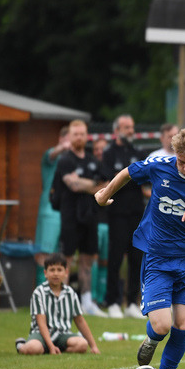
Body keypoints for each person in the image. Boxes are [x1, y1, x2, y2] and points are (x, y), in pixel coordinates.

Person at [95, 127, 185, 369]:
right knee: (163, 326)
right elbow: (129, 172)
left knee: (183, 324)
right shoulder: (159, 166)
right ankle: (152, 338)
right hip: (158, 256)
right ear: (175, 154)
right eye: (182, 161)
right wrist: (105, 193)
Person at [52, 119, 106, 317]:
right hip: (70, 216)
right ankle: (63, 302)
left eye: (82, 134)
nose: (79, 138)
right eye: (75, 134)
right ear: (70, 136)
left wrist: (85, 183)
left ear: (86, 136)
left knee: (87, 260)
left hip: (90, 215)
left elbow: (106, 184)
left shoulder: (93, 160)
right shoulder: (65, 160)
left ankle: (87, 302)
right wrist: (93, 184)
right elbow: (72, 185)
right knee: (66, 259)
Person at [98, 116, 146, 319]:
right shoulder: (108, 153)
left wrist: (126, 179)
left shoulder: (138, 152)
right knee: (116, 259)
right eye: (126, 127)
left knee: (136, 258)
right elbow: (110, 178)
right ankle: (114, 302)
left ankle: (132, 303)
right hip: (116, 213)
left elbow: (143, 179)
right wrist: (127, 180)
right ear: (117, 129)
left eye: (132, 127)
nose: (130, 131)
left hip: (137, 213)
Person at [16, 253, 101, 355]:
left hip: (63, 334)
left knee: (82, 344)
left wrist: (93, 346)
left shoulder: (71, 293)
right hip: (41, 334)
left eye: (59, 270)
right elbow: (41, 322)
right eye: (52, 270)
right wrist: (51, 346)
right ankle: (21, 345)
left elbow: (80, 321)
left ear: (66, 272)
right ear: (45, 273)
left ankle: (52, 350)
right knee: (32, 348)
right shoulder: (39, 292)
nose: (56, 274)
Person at [34, 125, 71, 283]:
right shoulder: (52, 155)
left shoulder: (74, 159)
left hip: (68, 210)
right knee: (45, 253)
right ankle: (42, 293)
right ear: (61, 139)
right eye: (70, 137)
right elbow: (52, 154)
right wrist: (62, 148)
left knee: (63, 255)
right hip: (50, 211)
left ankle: (60, 296)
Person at [91, 136, 111, 306]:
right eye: (96, 149)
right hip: (94, 219)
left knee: (106, 260)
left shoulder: (112, 167)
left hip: (110, 219)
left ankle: (103, 297)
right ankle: (93, 297)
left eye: (102, 149)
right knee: (94, 258)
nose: (99, 152)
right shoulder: (91, 167)